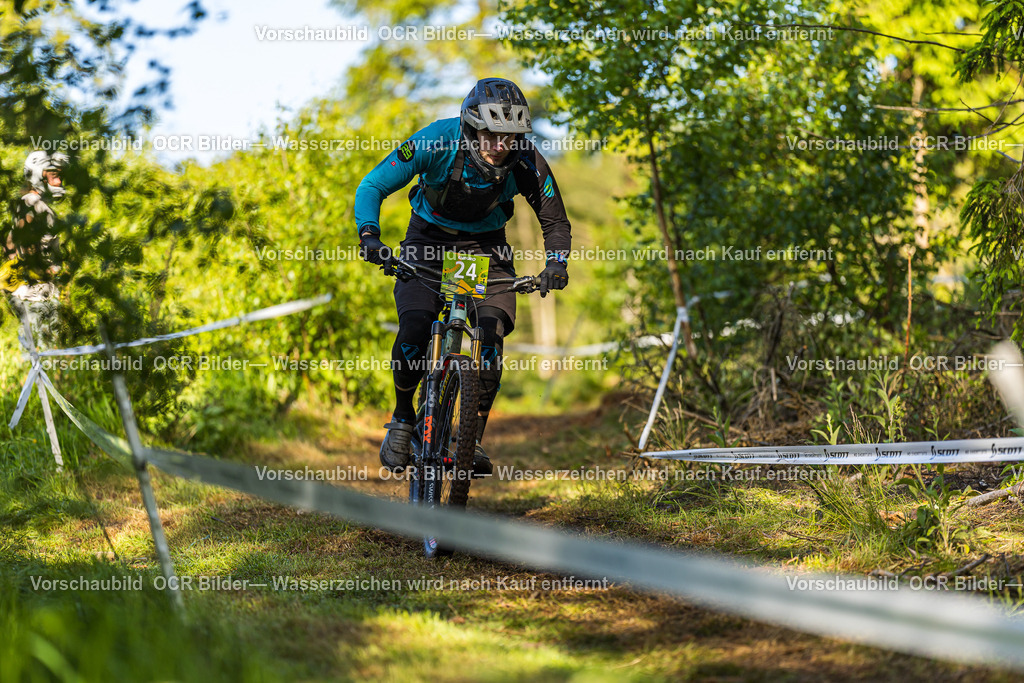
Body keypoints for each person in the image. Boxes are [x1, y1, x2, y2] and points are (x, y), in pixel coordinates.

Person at [355, 77, 571, 475]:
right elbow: (373, 185)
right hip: (427, 240)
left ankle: (471, 441)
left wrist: (557, 262)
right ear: (471, 127)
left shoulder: (525, 159)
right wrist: (370, 236)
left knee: (490, 335)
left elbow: (554, 220)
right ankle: (402, 419)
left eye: (509, 136)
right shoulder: (436, 141)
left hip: (485, 247)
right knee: (416, 326)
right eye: (491, 135)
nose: (500, 146)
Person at [1, 150, 69, 348]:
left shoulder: (40, 205)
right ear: (38, 174)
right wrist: (42, 273)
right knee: (44, 351)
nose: (59, 181)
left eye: (60, 176)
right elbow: (24, 241)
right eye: (54, 175)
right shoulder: (31, 202)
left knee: (50, 351)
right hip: (35, 294)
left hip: (42, 292)